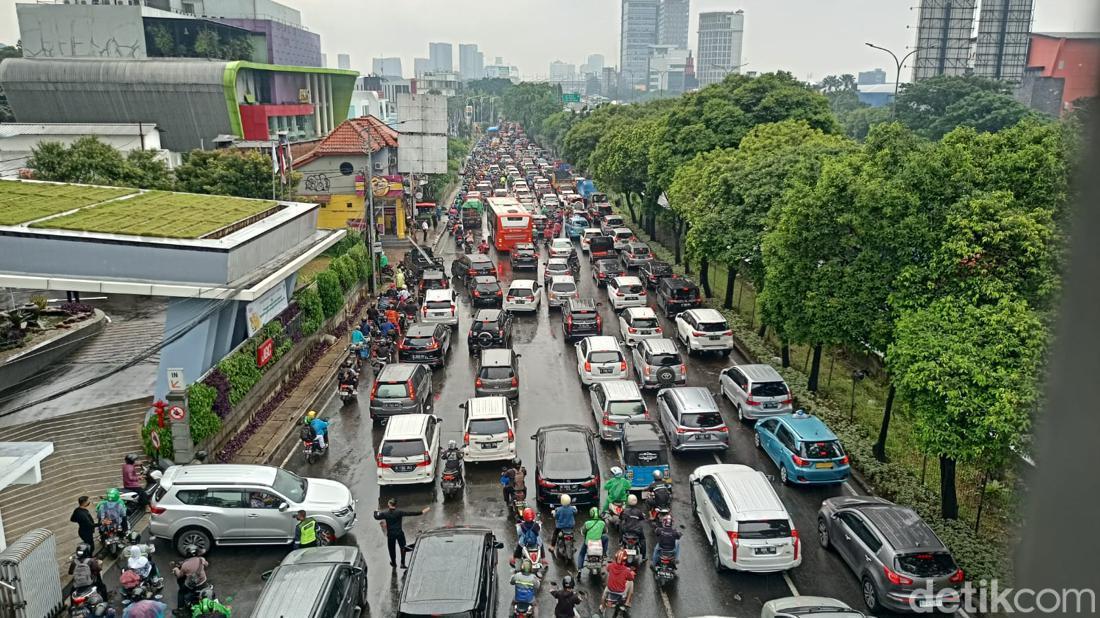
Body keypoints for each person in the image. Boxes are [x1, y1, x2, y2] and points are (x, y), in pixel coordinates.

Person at [373, 498, 429, 568]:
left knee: (391, 549)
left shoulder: (385, 514)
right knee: (403, 547)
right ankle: (402, 563)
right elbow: (411, 513)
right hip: (399, 533)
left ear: (389, 504)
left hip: (391, 535)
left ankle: (393, 563)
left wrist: (375, 511)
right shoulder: (399, 512)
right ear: (395, 505)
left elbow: (376, 517)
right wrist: (422, 512)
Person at [172, 544, 208, 611]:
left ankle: (180, 608)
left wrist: (176, 569)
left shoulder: (185, 565)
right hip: (203, 582)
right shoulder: (201, 559)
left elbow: (180, 575)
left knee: (181, 592)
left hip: (192, 584)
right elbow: (206, 564)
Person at [620, 494, 648, 560]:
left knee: (621, 527)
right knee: (643, 540)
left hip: (626, 530)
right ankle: (643, 557)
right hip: (637, 531)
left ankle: (620, 541)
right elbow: (642, 519)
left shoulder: (624, 511)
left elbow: (620, 518)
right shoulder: (639, 511)